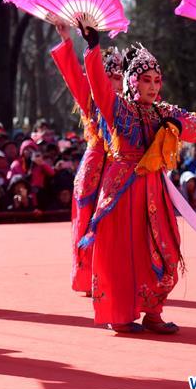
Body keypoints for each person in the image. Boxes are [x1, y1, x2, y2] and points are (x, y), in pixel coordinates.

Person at [80, 27, 196, 334]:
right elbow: (98, 86)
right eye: (145, 80)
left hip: (154, 190)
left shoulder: (163, 111)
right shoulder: (118, 108)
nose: (152, 86)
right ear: (131, 81)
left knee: (162, 248)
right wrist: (93, 47)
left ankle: (153, 311)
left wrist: (177, 122)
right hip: (123, 188)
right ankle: (121, 314)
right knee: (123, 252)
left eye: (156, 80)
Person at [50, 21, 122, 295]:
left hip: (120, 167)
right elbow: (70, 73)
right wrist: (67, 39)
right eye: (109, 76)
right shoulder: (90, 98)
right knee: (88, 219)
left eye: (118, 77)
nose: (114, 82)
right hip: (94, 167)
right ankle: (88, 276)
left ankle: (115, 272)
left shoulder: (129, 105)